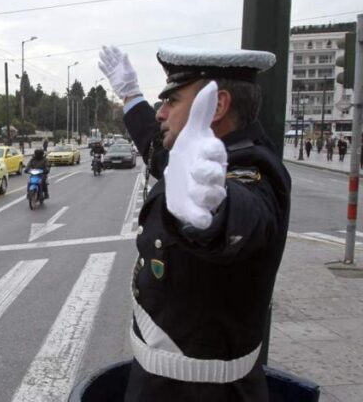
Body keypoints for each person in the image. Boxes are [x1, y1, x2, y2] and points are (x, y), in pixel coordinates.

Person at [99, 45, 291, 402]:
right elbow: (159, 153)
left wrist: (213, 214)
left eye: (172, 100)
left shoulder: (248, 170)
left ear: (216, 106)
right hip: (160, 384)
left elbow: (246, 219)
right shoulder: (192, 161)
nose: (161, 112)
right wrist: (129, 96)